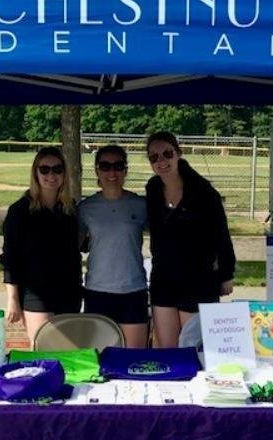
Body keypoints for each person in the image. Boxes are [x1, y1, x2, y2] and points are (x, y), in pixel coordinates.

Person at [145, 131, 236, 348]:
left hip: (197, 280)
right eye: (154, 157)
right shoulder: (153, 188)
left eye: (167, 154)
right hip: (163, 279)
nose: (162, 161)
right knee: (167, 351)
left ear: (178, 154)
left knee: (193, 350)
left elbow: (221, 235)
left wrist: (226, 274)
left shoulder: (204, 192)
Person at [0, 147, 81, 344]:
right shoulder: (19, 211)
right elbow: (10, 258)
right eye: (44, 170)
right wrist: (13, 299)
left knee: (69, 354)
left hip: (68, 293)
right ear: (35, 173)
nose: (51, 175)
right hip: (36, 295)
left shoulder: (70, 209)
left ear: (64, 173)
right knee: (45, 350)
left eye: (57, 169)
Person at [78, 145, 149, 347]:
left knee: (134, 359)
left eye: (118, 166)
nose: (112, 172)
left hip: (133, 290)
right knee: (99, 359)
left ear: (125, 170)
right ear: (97, 171)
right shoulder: (85, 208)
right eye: (105, 166)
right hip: (97, 291)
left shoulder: (141, 205)